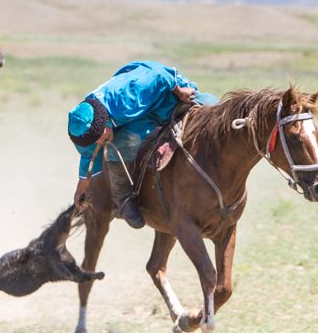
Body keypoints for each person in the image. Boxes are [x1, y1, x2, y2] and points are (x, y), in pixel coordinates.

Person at [67, 61, 216, 229]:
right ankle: (123, 199)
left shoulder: (127, 97)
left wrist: (180, 92)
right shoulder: (84, 129)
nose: (99, 144)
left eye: (98, 139)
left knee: (214, 108)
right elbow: (89, 153)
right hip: (141, 115)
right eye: (94, 142)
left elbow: (160, 74)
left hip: (164, 94)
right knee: (123, 143)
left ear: (103, 122)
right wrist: (82, 185)